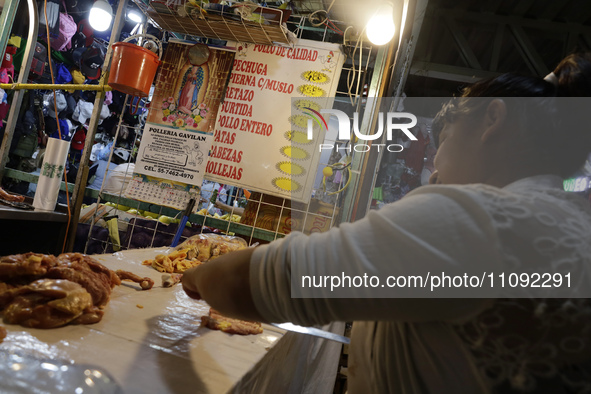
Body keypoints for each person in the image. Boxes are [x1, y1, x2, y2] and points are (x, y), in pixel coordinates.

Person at [182, 53, 591, 393]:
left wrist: (196, 274)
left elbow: (252, 283)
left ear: (492, 120)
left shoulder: (479, 219)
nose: (434, 170)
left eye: (443, 141)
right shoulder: (571, 225)